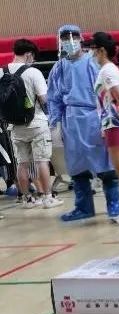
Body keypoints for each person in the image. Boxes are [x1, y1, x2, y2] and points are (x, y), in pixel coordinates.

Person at [48, 24, 119, 222]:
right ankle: (83, 207)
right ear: (60, 41)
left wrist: (107, 118)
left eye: (73, 36)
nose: (70, 41)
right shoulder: (59, 67)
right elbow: (54, 97)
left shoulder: (92, 62)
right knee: (76, 166)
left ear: (81, 38)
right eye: (65, 38)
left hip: (93, 117)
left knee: (104, 163)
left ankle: (114, 204)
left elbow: (106, 92)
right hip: (71, 121)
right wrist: (55, 122)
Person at [83, 32, 119, 226]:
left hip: (116, 124)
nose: (91, 53)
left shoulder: (108, 70)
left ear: (101, 50)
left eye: (93, 49)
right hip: (110, 124)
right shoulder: (105, 70)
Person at [0, 39, 63, 209]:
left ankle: (27, 199)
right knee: (42, 161)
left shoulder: (1, 71)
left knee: (22, 163)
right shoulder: (33, 72)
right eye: (33, 57)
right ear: (28, 54)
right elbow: (44, 99)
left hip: (14, 126)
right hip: (36, 123)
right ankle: (47, 197)